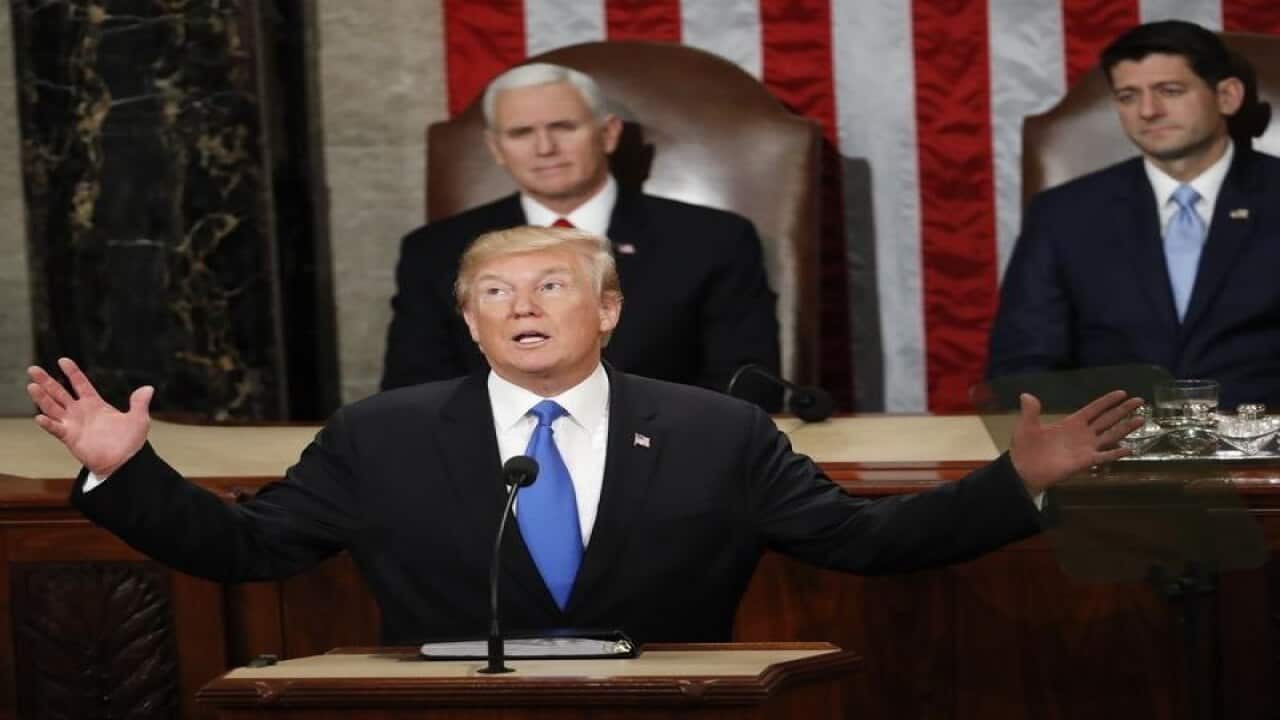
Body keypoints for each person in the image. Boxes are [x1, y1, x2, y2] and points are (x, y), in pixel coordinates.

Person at [28, 226, 1142, 646]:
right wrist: (128, 474)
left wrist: (1014, 484)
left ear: (605, 310)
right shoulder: (380, 435)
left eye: (551, 284)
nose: (522, 305)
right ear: (467, 322)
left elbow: (862, 544)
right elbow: (251, 552)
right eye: (495, 292)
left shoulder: (714, 430)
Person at [381, 62, 782, 409]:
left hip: (666, 458)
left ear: (608, 134)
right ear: (496, 148)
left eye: (563, 127)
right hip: (489, 464)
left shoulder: (712, 240)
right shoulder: (434, 251)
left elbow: (745, 384)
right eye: (521, 133)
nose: (545, 148)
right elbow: (415, 391)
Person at [987, 20, 1280, 409]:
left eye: (1170, 91)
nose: (1148, 111)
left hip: (1263, 453)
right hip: (1113, 453)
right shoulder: (1063, 215)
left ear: (1227, 96)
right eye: (1128, 96)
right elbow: (1022, 367)